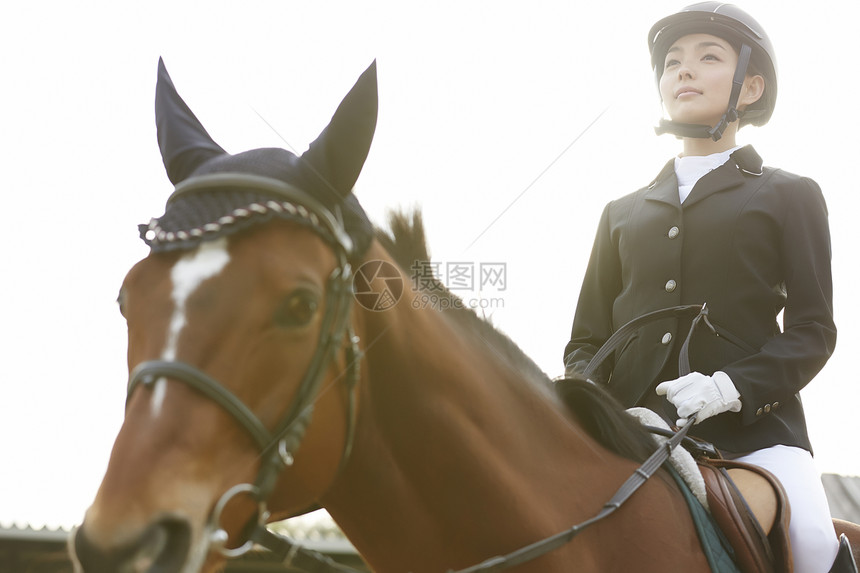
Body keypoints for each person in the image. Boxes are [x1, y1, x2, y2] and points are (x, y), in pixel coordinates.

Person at [562, 3, 855, 572]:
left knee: (815, 542)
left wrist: (730, 388)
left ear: (750, 87)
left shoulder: (790, 194)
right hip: (628, 434)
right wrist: (601, 407)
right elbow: (584, 341)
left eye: (707, 57)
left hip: (755, 437)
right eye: (672, 62)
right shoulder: (619, 212)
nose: (683, 71)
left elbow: (814, 332)